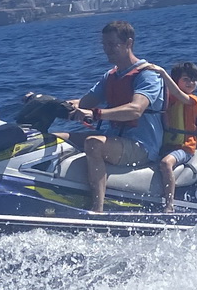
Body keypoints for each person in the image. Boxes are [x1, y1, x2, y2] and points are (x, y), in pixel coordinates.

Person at [64, 20, 164, 212]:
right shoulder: (110, 76)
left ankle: (97, 210)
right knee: (57, 138)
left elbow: (136, 109)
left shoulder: (148, 75)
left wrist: (96, 114)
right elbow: (84, 103)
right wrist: (48, 103)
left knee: (94, 143)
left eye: (112, 45)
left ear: (129, 44)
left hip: (141, 145)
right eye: (104, 45)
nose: (107, 50)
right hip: (115, 139)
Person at [147, 61, 197, 212]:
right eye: (186, 79)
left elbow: (178, 93)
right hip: (166, 146)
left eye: (194, 79)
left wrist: (162, 73)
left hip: (185, 148)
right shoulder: (168, 99)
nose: (191, 83)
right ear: (176, 81)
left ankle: (169, 204)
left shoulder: (193, 101)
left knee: (165, 163)